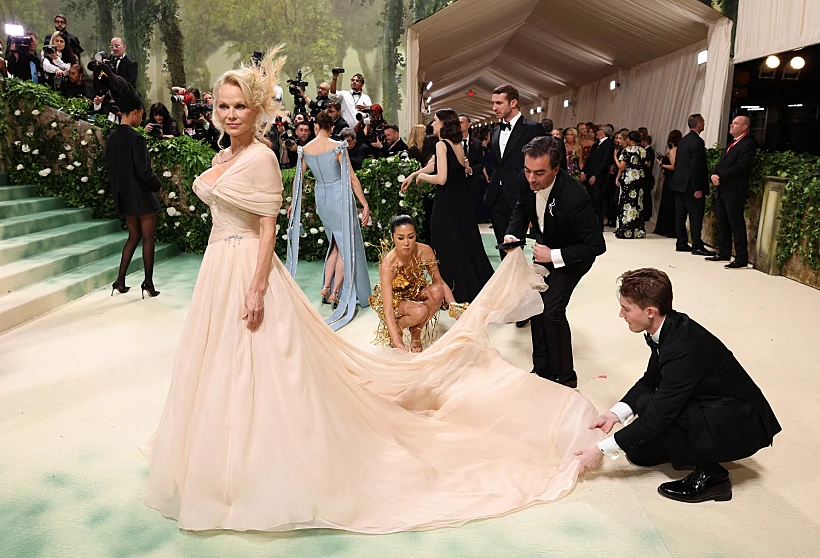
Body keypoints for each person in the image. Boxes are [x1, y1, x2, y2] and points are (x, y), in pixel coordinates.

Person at [142, 50, 605, 533]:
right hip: (217, 268)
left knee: (265, 362)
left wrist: (258, 287)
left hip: (247, 271)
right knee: (218, 360)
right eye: (222, 106)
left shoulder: (260, 158)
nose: (230, 114)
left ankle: (264, 463)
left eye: (239, 106)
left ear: (257, 110)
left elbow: (265, 230)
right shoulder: (223, 156)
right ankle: (219, 459)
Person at [575, 268, 781, 503]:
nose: (621, 314)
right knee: (640, 450)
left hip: (739, 423)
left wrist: (600, 450)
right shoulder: (668, 327)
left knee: (651, 408)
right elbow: (650, 380)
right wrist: (614, 414)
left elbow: (658, 416)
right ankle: (679, 450)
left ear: (650, 311)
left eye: (626, 308)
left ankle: (714, 476)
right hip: (709, 402)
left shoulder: (682, 349)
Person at [503, 135, 606, 388]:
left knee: (552, 311)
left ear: (556, 169)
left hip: (574, 256)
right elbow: (521, 207)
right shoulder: (525, 178)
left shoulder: (575, 197)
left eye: (538, 173)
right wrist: (513, 233)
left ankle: (564, 377)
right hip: (544, 250)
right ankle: (541, 369)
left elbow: (596, 246)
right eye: (527, 170)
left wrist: (554, 256)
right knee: (535, 305)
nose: (530, 178)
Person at [287, 110, 371, 329]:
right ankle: (336, 293)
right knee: (345, 244)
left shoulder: (306, 149)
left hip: (321, 198)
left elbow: (298, 179)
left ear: (315, 126)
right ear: (332, 127)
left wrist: (293, 204)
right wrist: (364, 203)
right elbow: (351, 177)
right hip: (338, 196)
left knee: (334, 240)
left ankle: (326, 287)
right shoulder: (338, 146)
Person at [402, 108, 494, 303]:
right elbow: (436, 165)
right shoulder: (457, 143)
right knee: (464, 244)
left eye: (435, 120)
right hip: (461, 202)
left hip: (447, 203)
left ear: (443, 123)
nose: (432, 124)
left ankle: (450, 293)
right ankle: (465, 289)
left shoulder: (441, 144)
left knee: (443, 246)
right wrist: (414, 175)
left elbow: (441, 177)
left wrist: (423, 178)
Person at [369, 215, 461, 353]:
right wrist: (395, 340)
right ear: (392, 237)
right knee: (420, 311)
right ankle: (397, 327)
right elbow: (388, 307)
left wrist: (456, 312)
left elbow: (439, 282)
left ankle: (415, 333)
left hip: (414, 291)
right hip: (395, 302)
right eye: (400, 238)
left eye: (410, 237)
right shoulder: (388, 264)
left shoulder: (425, 251)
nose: (406, 243)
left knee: (437, 291)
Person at [105, 88, 162, 298]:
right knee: (148, 238)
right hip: (142, 195)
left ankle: (120, 280)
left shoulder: (112, 137)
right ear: (136, 112)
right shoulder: (137, 138)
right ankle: (148, 283)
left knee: (133, 236)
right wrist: (156, 185)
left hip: (124, 196)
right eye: (141, 113)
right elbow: (143, 170)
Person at [485, 84, 547, 259]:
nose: (494, 108)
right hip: (497, 196)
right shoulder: (495, 131)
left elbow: (544, 162)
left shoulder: (533, 128)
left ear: (513, 102)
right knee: (503, 247)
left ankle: (524, 281)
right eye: (493, 103)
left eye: (499, 103)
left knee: (520, 245)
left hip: (522, 194)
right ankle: (509, 282)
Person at [707, 116, 756, 269]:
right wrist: (714, 174)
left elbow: (741, 166)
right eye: (732, 123)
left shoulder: (748, 144)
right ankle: (724, 251)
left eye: (735, 123)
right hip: (722, 189)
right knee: (723, 221)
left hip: (734, 190)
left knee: (736, 223)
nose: (731, 125)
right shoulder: (732, 143)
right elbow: (722, 163)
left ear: (744, 127)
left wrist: (721, 177)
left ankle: (741, 257)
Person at [672, 114, 715, 256]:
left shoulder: (683, 141)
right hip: (691, 186)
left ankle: (681, 242)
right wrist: (698, 187)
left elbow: (679, 163)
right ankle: (697, 245)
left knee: (680, 215)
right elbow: (696, 167)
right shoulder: (697, 142)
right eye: (702, 122)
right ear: (698, 124)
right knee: (695, 216)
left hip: (679, 184)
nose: (704, 124)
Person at [614, 131, 647, 239]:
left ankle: (625, 230)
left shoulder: (627, 151)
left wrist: (615, 157)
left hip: (629, 180)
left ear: (631, 140)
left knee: (626, 203)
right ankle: (637, 230)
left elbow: (621, 167)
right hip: (640, 180)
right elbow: (647, 163)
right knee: (638, 204)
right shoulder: (643, 151)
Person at [580, 123, 614, 228]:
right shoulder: (596, 145)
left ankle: (599, 224)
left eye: (599, 130)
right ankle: (592, 222)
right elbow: (589, 160)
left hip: (599, 177)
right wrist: (583, 171)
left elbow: (604, 162)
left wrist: (595, 175)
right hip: (589, 175)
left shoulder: (608, 144)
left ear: (603, 132)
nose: (596, 132)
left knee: (596, 198)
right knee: (590, 199)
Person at [653, 130, 681, 238]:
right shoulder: (675, 150)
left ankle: (667, 229)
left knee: (668, 204)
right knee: (668, 204)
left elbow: (674, 166)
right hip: (670, 179)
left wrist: (662, 165)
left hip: (671, 181)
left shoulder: (674, 150)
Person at [459, 114, 485, 208]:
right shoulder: (453, 142)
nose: (459, 125)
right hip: (457, 184)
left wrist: (470, 170)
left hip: (472, 184)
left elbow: (481, 163)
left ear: (469, 125)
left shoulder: (477, 143)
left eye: (461, 122)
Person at [639, 135, 656, 222]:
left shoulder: (649, 151)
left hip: (647, 177)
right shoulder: (648, 150)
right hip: (646, 177)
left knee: (646, 196)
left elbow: (649, 164)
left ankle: (647, 214)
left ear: (644, 141)